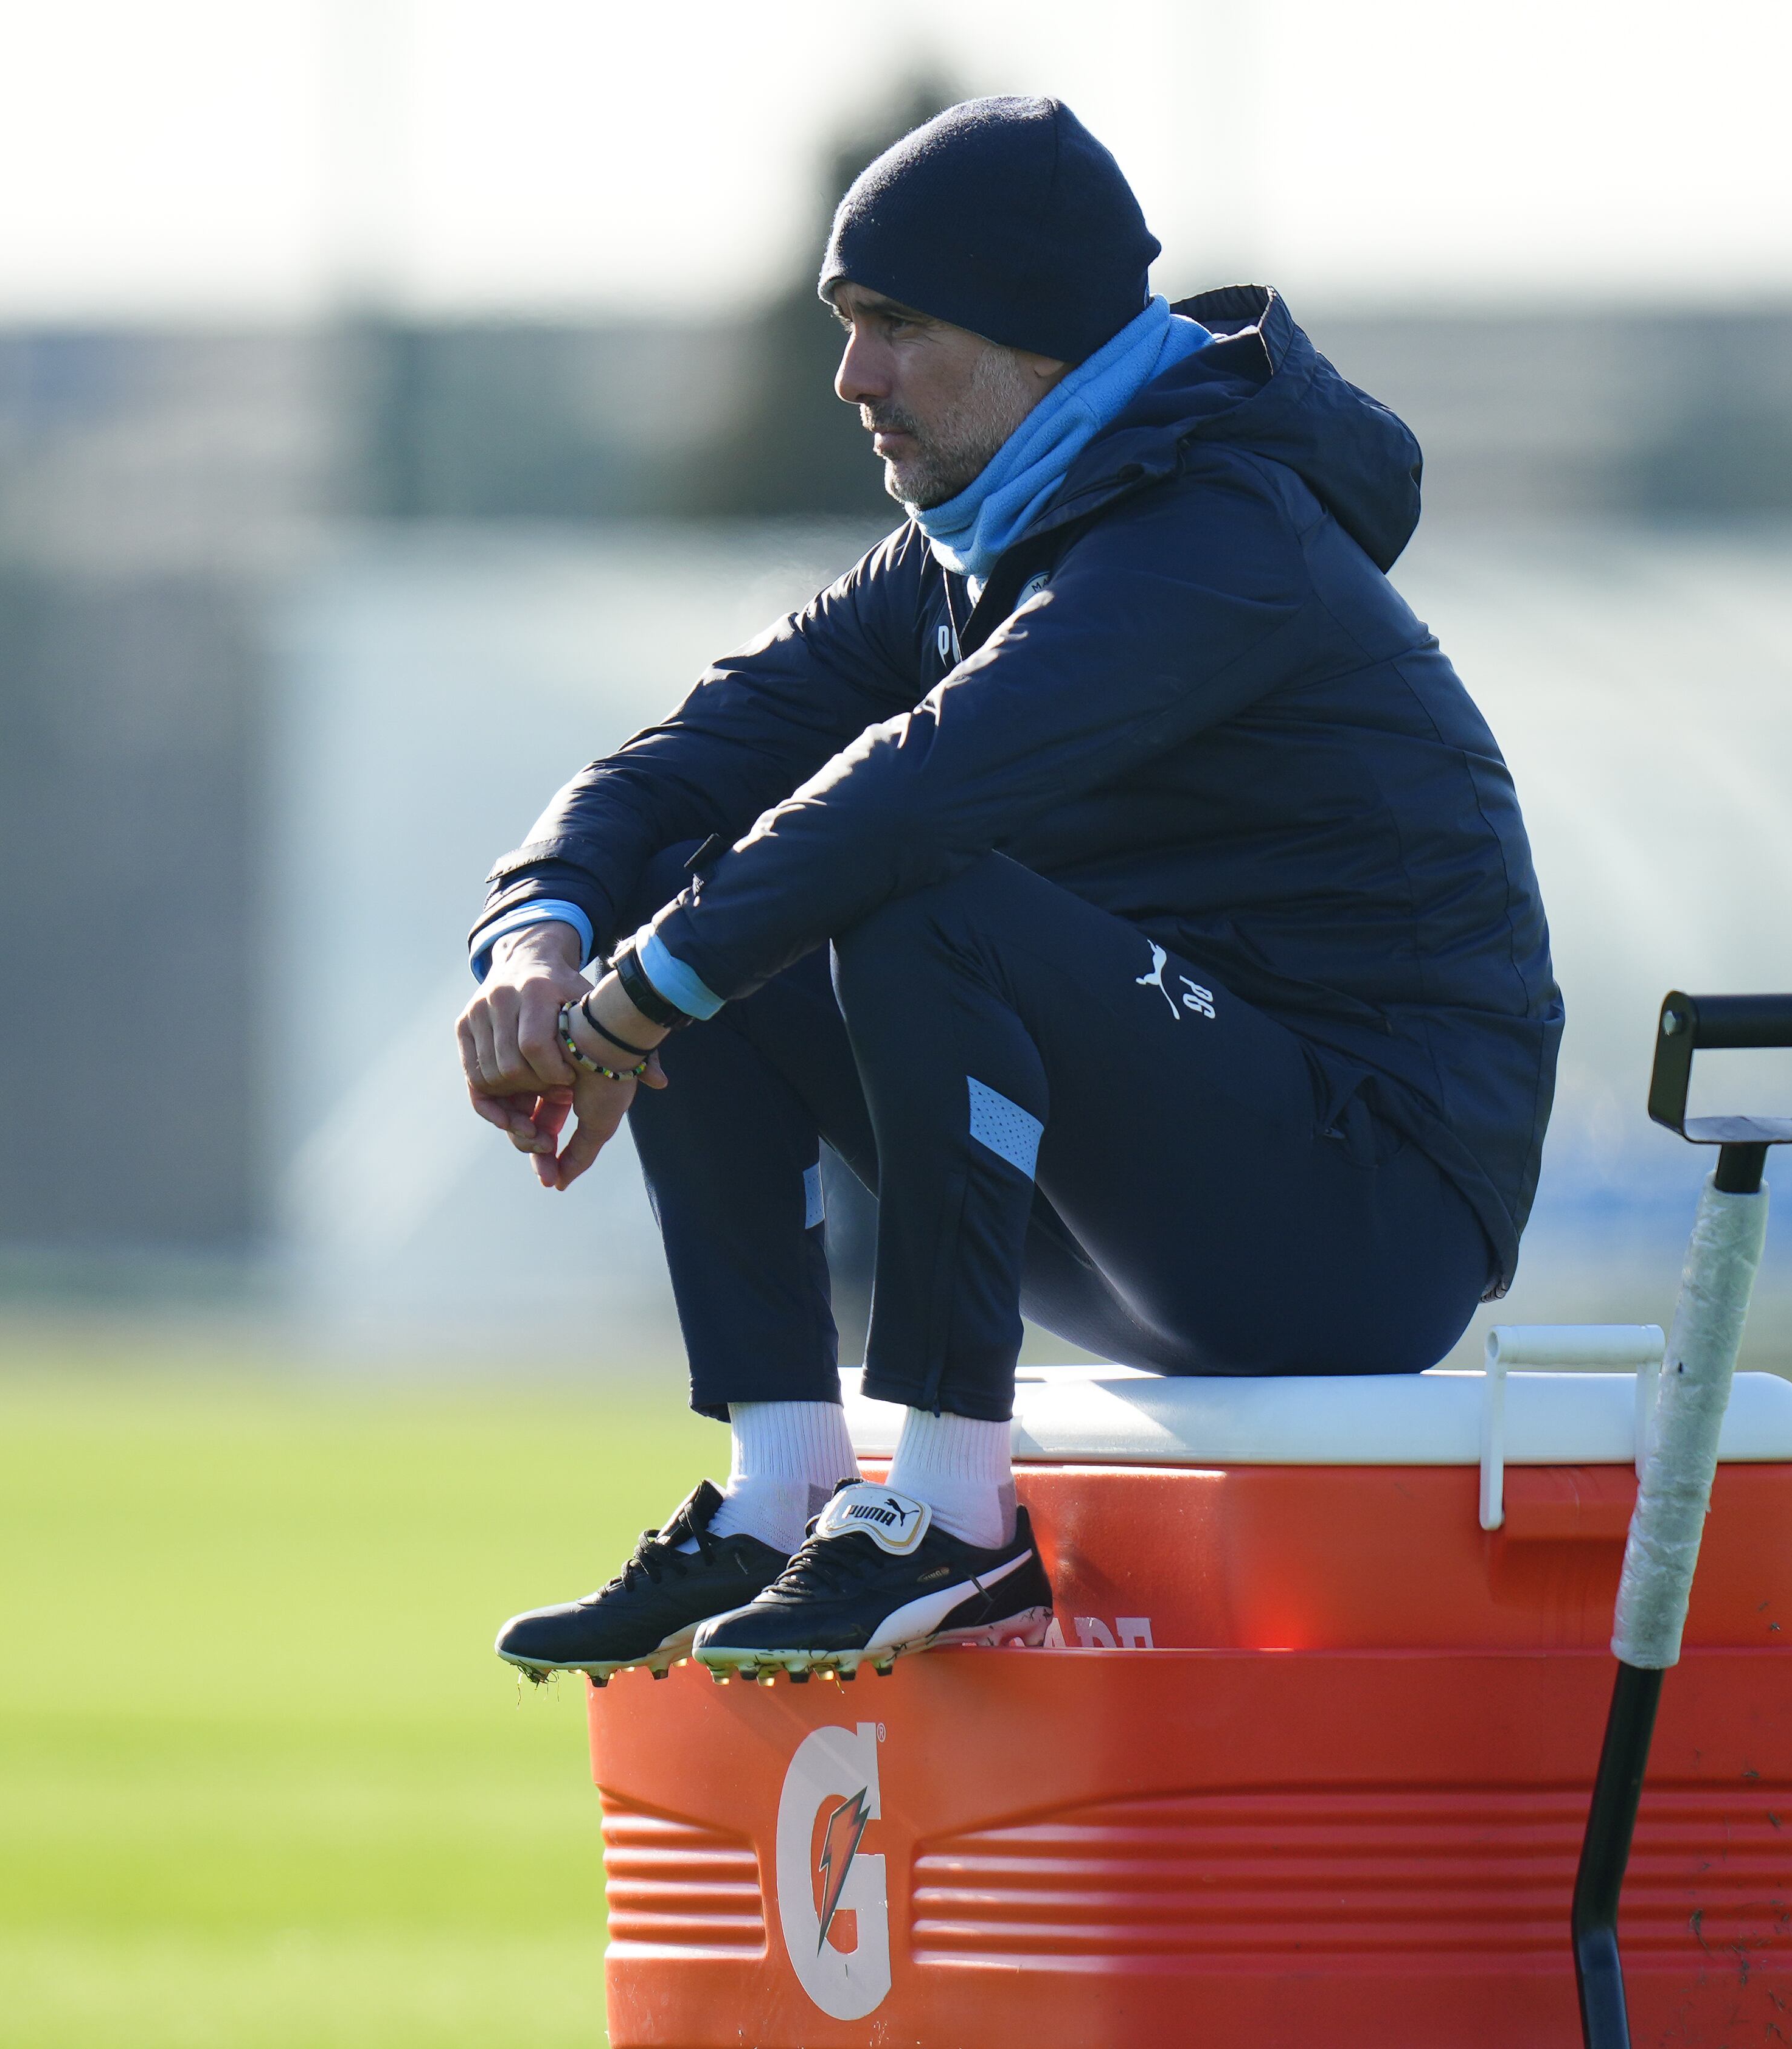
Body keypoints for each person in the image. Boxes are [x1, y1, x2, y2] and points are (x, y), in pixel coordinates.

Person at [465, 97, 1560, 1682]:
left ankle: (954, 1522)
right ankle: (786, 1490)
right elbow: (675, 768)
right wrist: (541, 948)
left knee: (891, 887)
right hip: (1176, 1199)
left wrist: (628, 1004)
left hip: (1371, 1208)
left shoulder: (1213, 532)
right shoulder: (965, 550)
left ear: (1035, 326)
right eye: (847, 326)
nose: (852, 377)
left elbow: (921, 793)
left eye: (895, 324)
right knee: (721, 886)